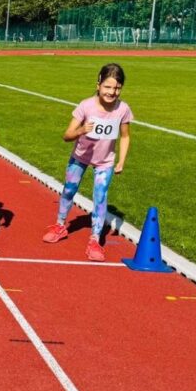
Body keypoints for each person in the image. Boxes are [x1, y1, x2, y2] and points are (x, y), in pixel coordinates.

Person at [42, 63, 133, 261]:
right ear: (98, 84)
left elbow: (125, 136)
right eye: (107, 87)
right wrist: (81, 130)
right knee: (69, 190)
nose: (112, 92)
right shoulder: (86, 106)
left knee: (100, 196)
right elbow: (66, 135)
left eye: (117, 88)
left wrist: (121, 161)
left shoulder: (123, 109)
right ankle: (60, 225)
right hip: (80, 157)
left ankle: (95, 239)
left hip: (105, 161)